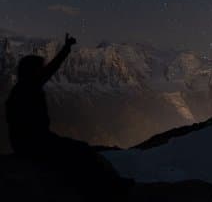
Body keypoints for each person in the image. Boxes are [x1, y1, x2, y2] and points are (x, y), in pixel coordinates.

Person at [6, 33, 132, 200]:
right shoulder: (26, 91)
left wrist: (66, 48)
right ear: (32, 72)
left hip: (31, 143)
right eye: (39, 68)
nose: (42, 70)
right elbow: (27, 127)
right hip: (35, 144)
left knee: (78, 152)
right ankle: (109, 188)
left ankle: (109, 186)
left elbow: (51, 68)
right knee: (79, 153)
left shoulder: (26, 87)